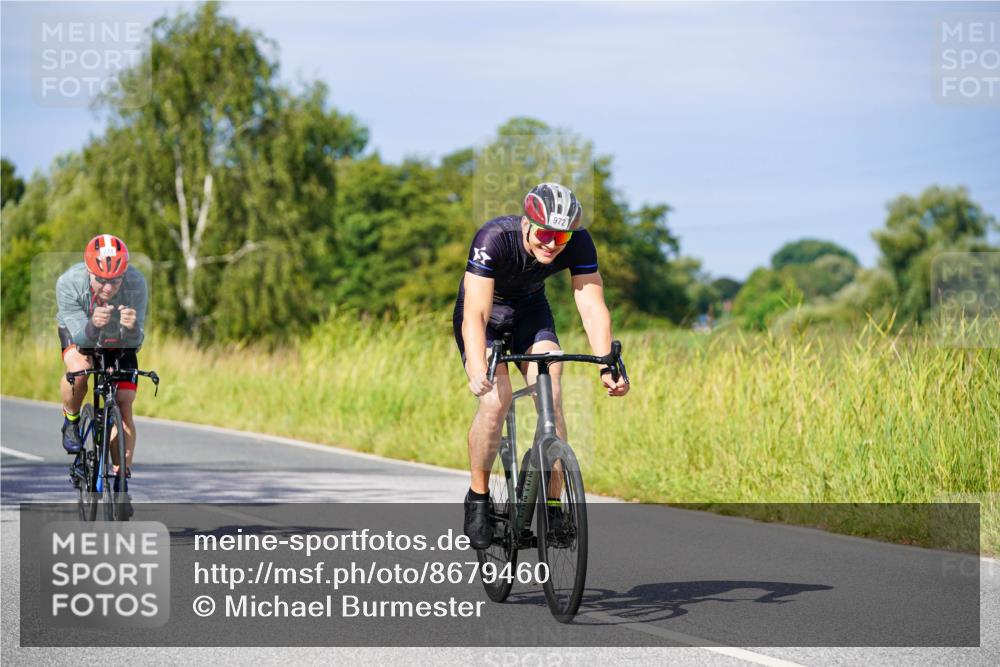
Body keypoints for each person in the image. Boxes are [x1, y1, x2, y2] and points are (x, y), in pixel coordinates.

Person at [453, 182, 629, 549]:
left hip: (531, 314)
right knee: (495, 401)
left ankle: (552, 504)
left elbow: (591, 305)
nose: (553, 243)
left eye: (561, 236)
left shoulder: (578, 242)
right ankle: (478, 497)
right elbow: (475, 312)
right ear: (526, 224)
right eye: (546, 233)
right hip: (486, 318)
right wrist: (475, 366)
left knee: (552, 388)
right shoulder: (493, 238)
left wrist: (606, 363)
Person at [56, 234, 147, 500]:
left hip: (119, 336)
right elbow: (82, 340)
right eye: (101, 280)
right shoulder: (68, 283)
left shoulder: (137, 283)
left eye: (115, 280)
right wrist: (94, 324)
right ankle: (71, 419)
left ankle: (121, 479)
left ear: (124, 274)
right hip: (79, 327)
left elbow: (137, 343)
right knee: (80, 368)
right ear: (88, 271)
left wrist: (131, 330)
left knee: (125, 402)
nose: (108, 287)